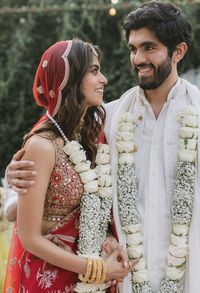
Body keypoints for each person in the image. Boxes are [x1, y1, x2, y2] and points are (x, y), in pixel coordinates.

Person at [5, 1, 200, 292]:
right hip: (123, 277)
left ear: (179, 51)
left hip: (193, 273)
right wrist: (16, 176)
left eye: (149, 47)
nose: (138, 58)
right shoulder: (109, 116)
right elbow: (60, 155)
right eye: (133, 48)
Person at [3, 38, 133, 293]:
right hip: (50, 278)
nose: (103, 79)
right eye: (94, 71)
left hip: (91, 276)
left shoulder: (93, 134)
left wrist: (108, 244)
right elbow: (29, 237)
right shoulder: (42, 145)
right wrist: (96, 269)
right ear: (69, 79)